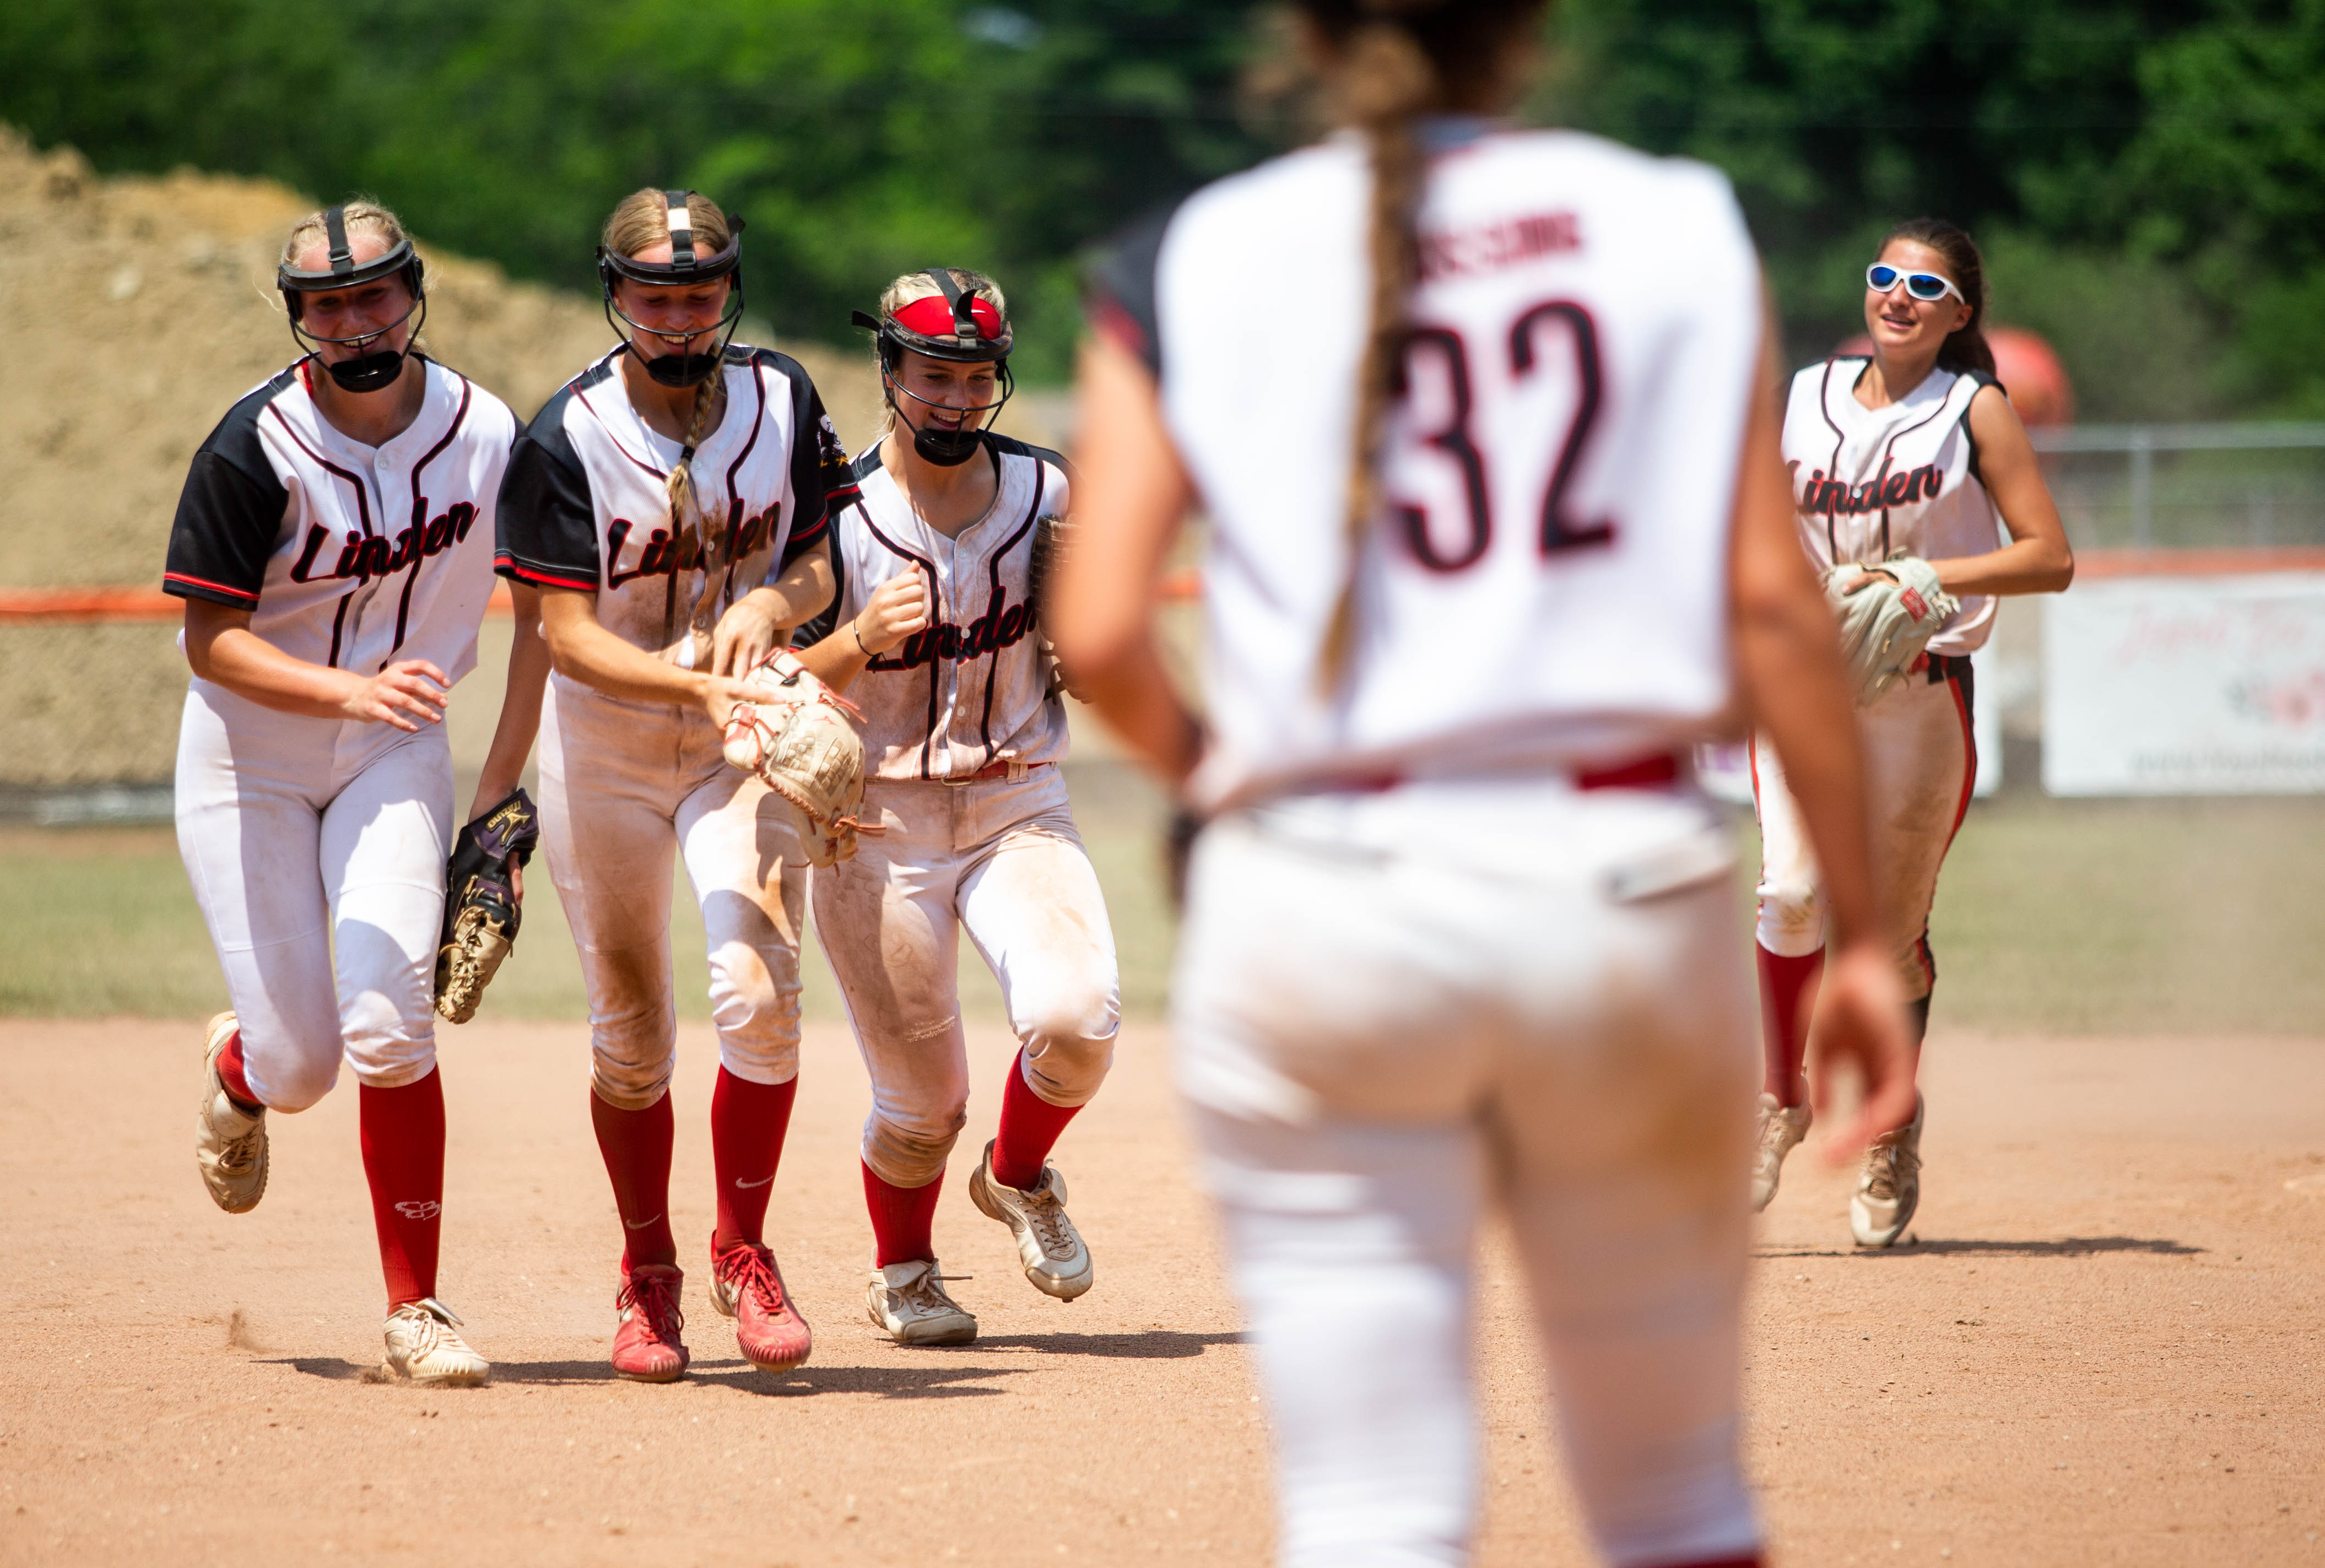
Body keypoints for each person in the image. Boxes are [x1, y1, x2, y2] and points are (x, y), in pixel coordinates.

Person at [1052, 2, 1919, 1564]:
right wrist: (1859, 934)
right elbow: (1774, 609)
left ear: (1303, 29)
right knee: (1677, 1508)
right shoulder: (1668, 219)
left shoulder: (1191, 251)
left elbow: (1101, 632)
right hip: (1617, 877)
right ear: (1523, 26)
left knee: (1369, 1514)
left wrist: (1216, 792)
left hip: (1314, 892)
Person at [172, 199, 544, 1386]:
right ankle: (242, 1068)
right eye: (328, 304)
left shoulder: (485, 431)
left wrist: (499, 795)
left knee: (389, 1022)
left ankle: (414, 1308)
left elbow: (547, 606)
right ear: (296, 317)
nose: (356, 321)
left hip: (396, 751)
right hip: (250, 760)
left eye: (375, 294)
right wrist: (349, 691)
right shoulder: (255, 444)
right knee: (302, 1068)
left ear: (414, 293)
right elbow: (211, 642)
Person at [493, 188, 859, 1382]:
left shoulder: (781, 397)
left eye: (700, 293)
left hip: (732, 743)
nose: (680, 315)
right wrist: (695, 682)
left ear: (729, 290)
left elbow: (820, 560)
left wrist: (772, 603)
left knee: (758, 992)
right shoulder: (566, 436)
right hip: (605, 747)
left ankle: (742, 1248)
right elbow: (562, 634)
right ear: (616, 295)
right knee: (632, 1035)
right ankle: (646, 1267)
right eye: (655, 295)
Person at [785, 268, 1122, 1345]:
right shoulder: (833, 508)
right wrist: (853, 641)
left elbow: (1095, 648)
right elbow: (773, 674)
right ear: (887, 370)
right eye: (932, 374)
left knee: (1078, 1021)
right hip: (875, 819)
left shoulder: (1047, 489)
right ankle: (904, 1270)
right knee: (923, 1102)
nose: (956, 398)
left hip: (1017, 799)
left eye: (977, 378)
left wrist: (1094, 646)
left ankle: (1016, 1175)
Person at [1749, 219, 2073, 1243]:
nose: (1897, 294)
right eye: (1884, 275)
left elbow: (2050, 556)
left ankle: (1891, 1125)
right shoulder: (1799, 397)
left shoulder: (1973, 409)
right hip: (1806, 686)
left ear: (1958, 312)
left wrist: (1933, 575)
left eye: (1924, 286)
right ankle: (1780, 1097)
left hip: (1920, 694)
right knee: (1790, 893)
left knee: (1888, 941)